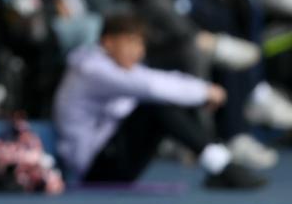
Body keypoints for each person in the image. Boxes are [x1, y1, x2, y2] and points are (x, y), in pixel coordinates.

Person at [53, 12, 266, 188]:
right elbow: (150, 86)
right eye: (130, 42)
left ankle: (220, 163)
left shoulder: (115, 66)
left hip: (110, 159)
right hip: (90, 169)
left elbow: (156, 81)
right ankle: (221, 164)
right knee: (157, 106)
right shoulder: (91, 69)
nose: (138, 51)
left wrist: (202, 92)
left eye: (140, 44)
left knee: (164, 102)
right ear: (107, 42)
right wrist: (205, 92)